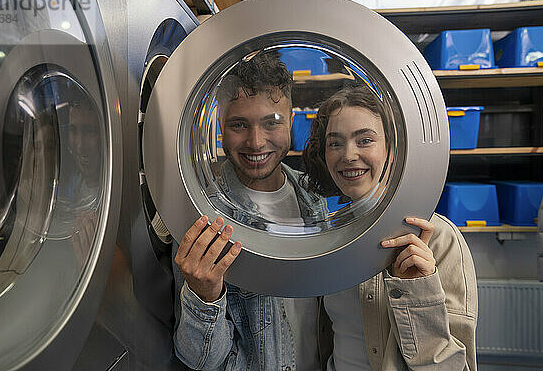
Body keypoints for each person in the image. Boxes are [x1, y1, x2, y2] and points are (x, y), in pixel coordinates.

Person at [302, 84, 478, 370]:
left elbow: (456, 367)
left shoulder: (439, 240)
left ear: (393, 149)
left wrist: (417, 291)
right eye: (335, 143)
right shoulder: (330, 235)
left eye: (365, 140)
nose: (348, 155)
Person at [173, 50, 328, 370]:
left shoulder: (313, 197)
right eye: (239, 125)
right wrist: (203, 297)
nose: (256, 142)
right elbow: (199, 361)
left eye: (271, 123)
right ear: (219, 127)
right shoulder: (201, 212)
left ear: (291, 122)